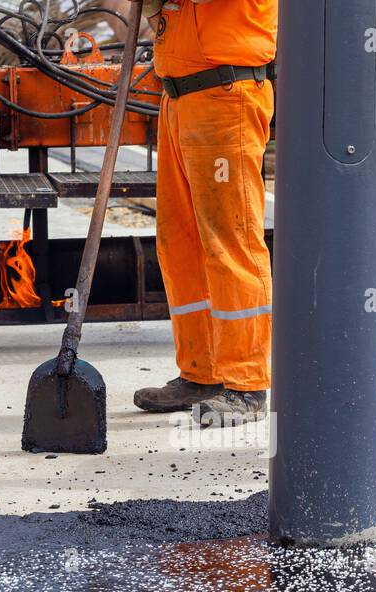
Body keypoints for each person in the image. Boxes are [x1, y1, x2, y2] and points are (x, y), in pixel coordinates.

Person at [132, 0, 277, 427]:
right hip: (180, 97)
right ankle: (202, 373)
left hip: (225, 96)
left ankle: (247, 382)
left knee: (230, 240)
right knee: (180, 241)